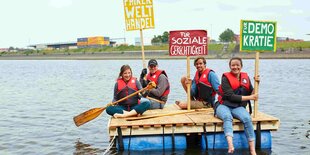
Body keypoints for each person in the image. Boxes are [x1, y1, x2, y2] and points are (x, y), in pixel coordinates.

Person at [215, 57, 259, 155]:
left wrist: (257, 83)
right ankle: (230, 145)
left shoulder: (245, 77)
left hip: (238, 107)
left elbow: (252, 92)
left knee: (247, 118)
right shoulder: (225, 77)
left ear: (241, 66)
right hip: (224, 105)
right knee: (227, 117)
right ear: (230, 66)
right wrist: (250, 98)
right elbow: (230, 97)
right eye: (233, 65)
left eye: (237, 65)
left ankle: (253, 150)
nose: (235, 67)